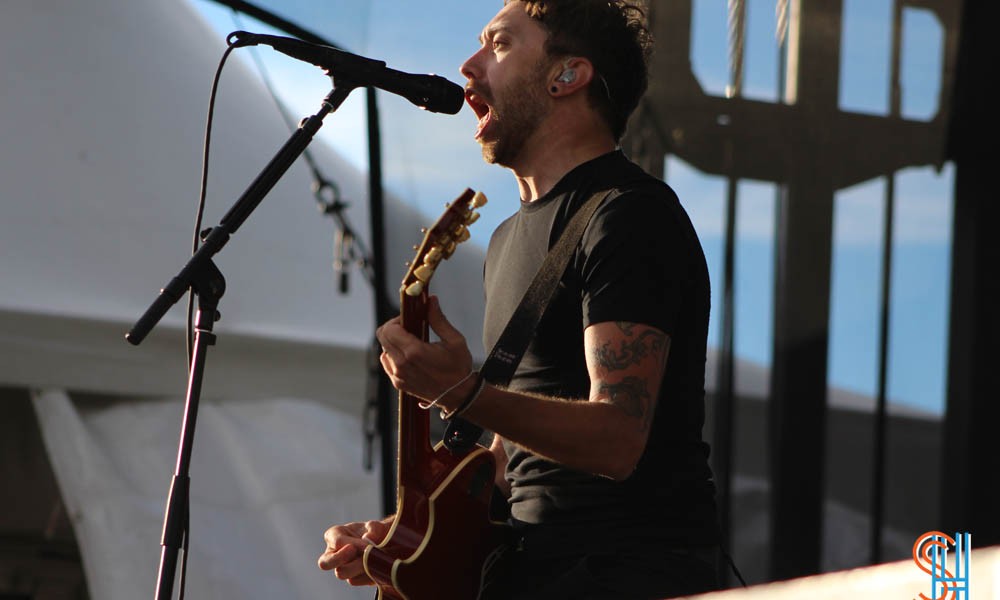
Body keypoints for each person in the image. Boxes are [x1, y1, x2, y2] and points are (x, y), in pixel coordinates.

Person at [318, 1, 722, 598]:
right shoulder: (506, 240)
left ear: (567, 75)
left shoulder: (630, 216)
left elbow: (617, 438)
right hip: (530, 569)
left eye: (500, 44)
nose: (468, 64)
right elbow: (513, 463)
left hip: (626, 571)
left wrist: (462, 392)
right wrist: (411, 534)